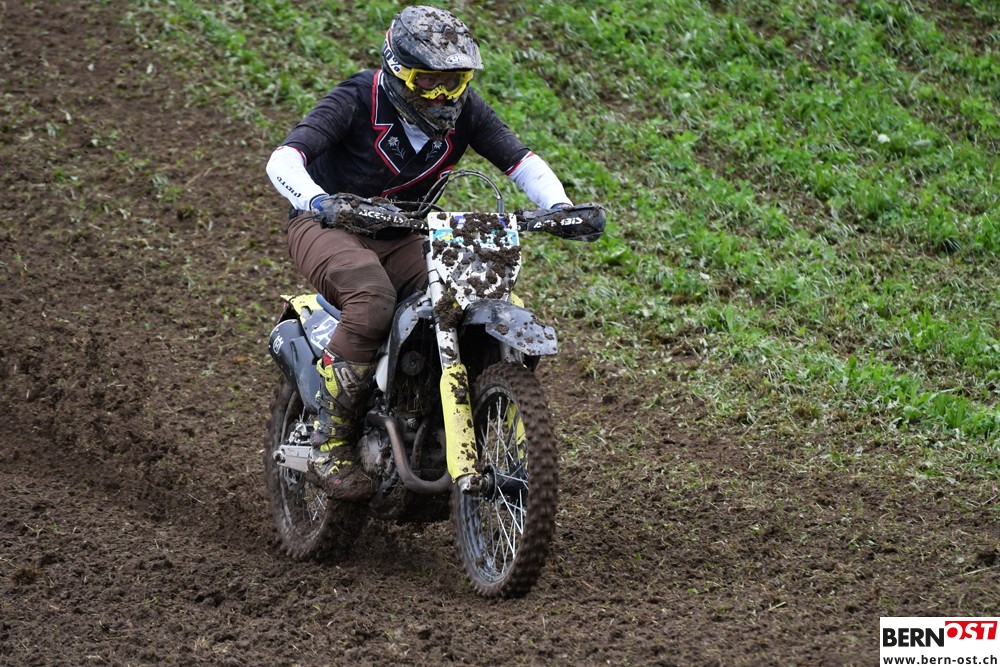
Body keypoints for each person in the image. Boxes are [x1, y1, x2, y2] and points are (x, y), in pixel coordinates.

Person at [265, 5, 573, 500]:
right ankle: (328, 442)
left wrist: (560, 208)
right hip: (326, 226)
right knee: (372, 299)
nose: (443, 95)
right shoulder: (357, 97)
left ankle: (440, 416)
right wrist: (318, 201)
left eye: (455, 81)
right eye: (428, 81)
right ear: (397, 72)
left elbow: (521, 162)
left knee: (473, 295)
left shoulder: (466, 111)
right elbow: (284, 159)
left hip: (403, 232)